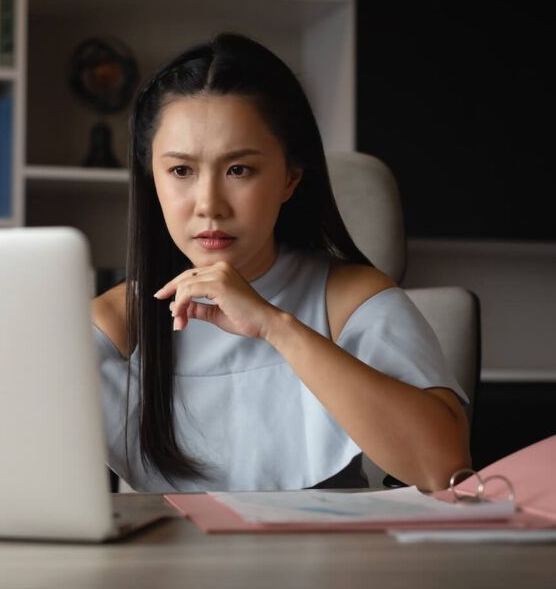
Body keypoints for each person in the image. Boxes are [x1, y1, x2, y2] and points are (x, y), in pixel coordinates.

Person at [91, 33, 471, 493]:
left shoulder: (350, 299)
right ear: (152, 179)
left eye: (239, 170)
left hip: (325, 541)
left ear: (290, 177)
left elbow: (443, 468)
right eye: (181, 171)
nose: (209, 204)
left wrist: (275, 326)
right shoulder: (115, 321)